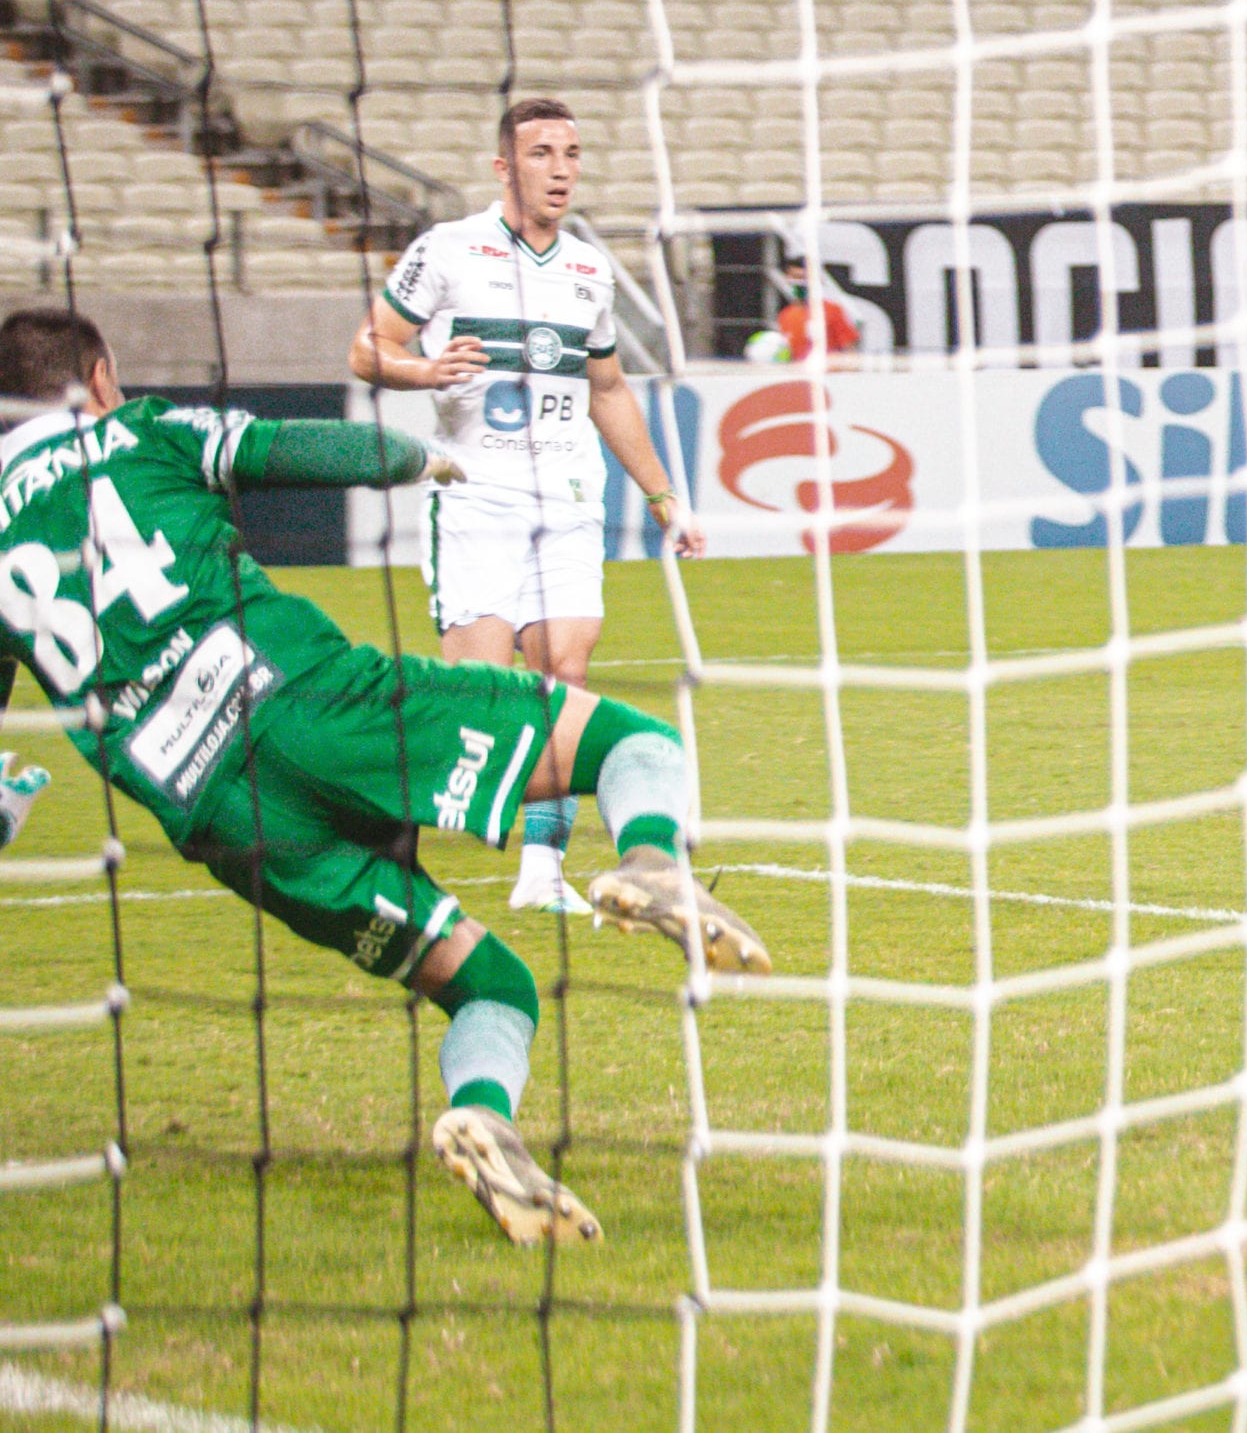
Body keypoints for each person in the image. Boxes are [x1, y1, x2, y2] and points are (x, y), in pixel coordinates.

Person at [0, 310, 765, 1246]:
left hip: (224, 818)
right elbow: (303, 449)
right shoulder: (140, 428)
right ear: (101, 374)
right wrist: (421, 461)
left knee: (490, 985)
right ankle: (651, 859)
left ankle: (485, 1120)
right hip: (314, 708)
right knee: (629, 741)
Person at [351, 99, 706, 918]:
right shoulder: (448, 251)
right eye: (542, 152)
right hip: (474, 499)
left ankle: (541, 871)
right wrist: (423, 372)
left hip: (571, 500)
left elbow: (608, 388)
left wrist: (663, 499)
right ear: (503, 166)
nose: (561, 168)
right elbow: (368, 347)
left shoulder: (588, 270)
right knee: (473, 694)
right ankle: (377, 839)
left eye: (572, 153)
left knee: (567, 674)